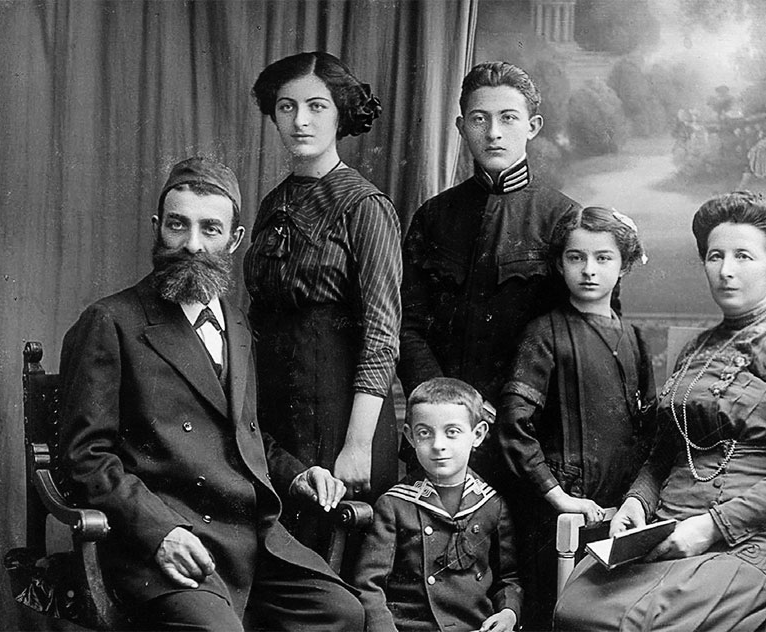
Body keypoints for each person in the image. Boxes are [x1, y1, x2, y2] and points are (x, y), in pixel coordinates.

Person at [58, 157, 364, 631]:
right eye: (178, 225)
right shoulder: (111, 321)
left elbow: (245, 436)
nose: (192, 245)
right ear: (158, 227)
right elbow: (86, 457)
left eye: (210, 229)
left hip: (249, 539)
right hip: (161, 541)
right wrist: (160, 533)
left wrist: (300, 476)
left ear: (235, 240)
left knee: (342, 614)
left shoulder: (237, 324)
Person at [554, 191, 766, 631]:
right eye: (715, 256)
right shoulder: (696, 348)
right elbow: (666, 451)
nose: (726, 270)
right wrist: (637, 500)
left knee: (640, 622)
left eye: (743, 256)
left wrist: (710, 527)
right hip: (673, 528)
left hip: (759, 538)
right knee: (576, 606)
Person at [398, 60, 580, 485]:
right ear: (461, 127)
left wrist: (515, 409)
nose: (493, 132)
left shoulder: (563, 219)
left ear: (533, 127)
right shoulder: (433, 216)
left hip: (528, 435)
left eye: (508, 118)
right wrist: (449, 406)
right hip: (442, 435)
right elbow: (408, 326)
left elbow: (574, 336)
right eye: (479, 119)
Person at [245, 52, 402, 530]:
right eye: (287, 107)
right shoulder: (273, 203)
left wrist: (357, 445)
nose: (300, 120)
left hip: (341, 415)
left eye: (316, 106)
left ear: (340, 114)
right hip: (277, 409)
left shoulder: (366, 206)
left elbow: (382, 335)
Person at [497, 206, 658, 630]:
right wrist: (558, 496)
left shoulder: (635, 339)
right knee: (555, 612)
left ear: (623, 266)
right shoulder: (545, 333)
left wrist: (637, 499)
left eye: (603, 258)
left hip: (622, 511)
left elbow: (652, 434)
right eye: (576, 257)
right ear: (559, 264)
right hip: (562, 512)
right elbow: (514, 425)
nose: (589, 269)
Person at [353, 377, 522, 632]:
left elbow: (508, 579)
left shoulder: (491, 504)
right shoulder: (395, 505)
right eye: (425, 433)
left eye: (452, 432)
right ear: (410, 437)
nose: (438, 445)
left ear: (478, 435)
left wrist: (509, 613)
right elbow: (368, 585)